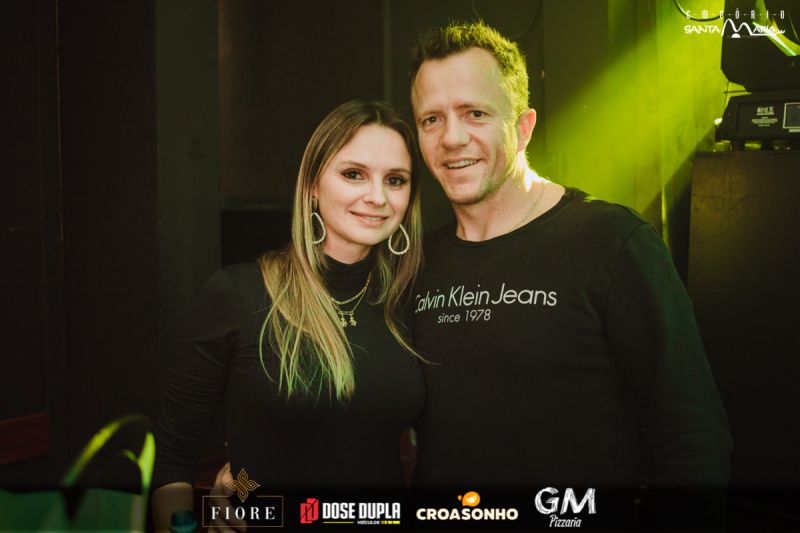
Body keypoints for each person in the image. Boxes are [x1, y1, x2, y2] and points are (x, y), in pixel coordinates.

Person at [408, 21, 732, 526]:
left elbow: (692, 437)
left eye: (475, 113)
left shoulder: (612, 242)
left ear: (523, 127)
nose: (452, 137)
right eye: (431, 119)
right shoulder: (416, 264)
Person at [150, 100, 426, 531]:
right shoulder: (239, 294)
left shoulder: (408, 299)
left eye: (395, 180)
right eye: (353, 174)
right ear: (313, 185)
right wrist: (240, 491)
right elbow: (173, 458)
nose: (377, 197)